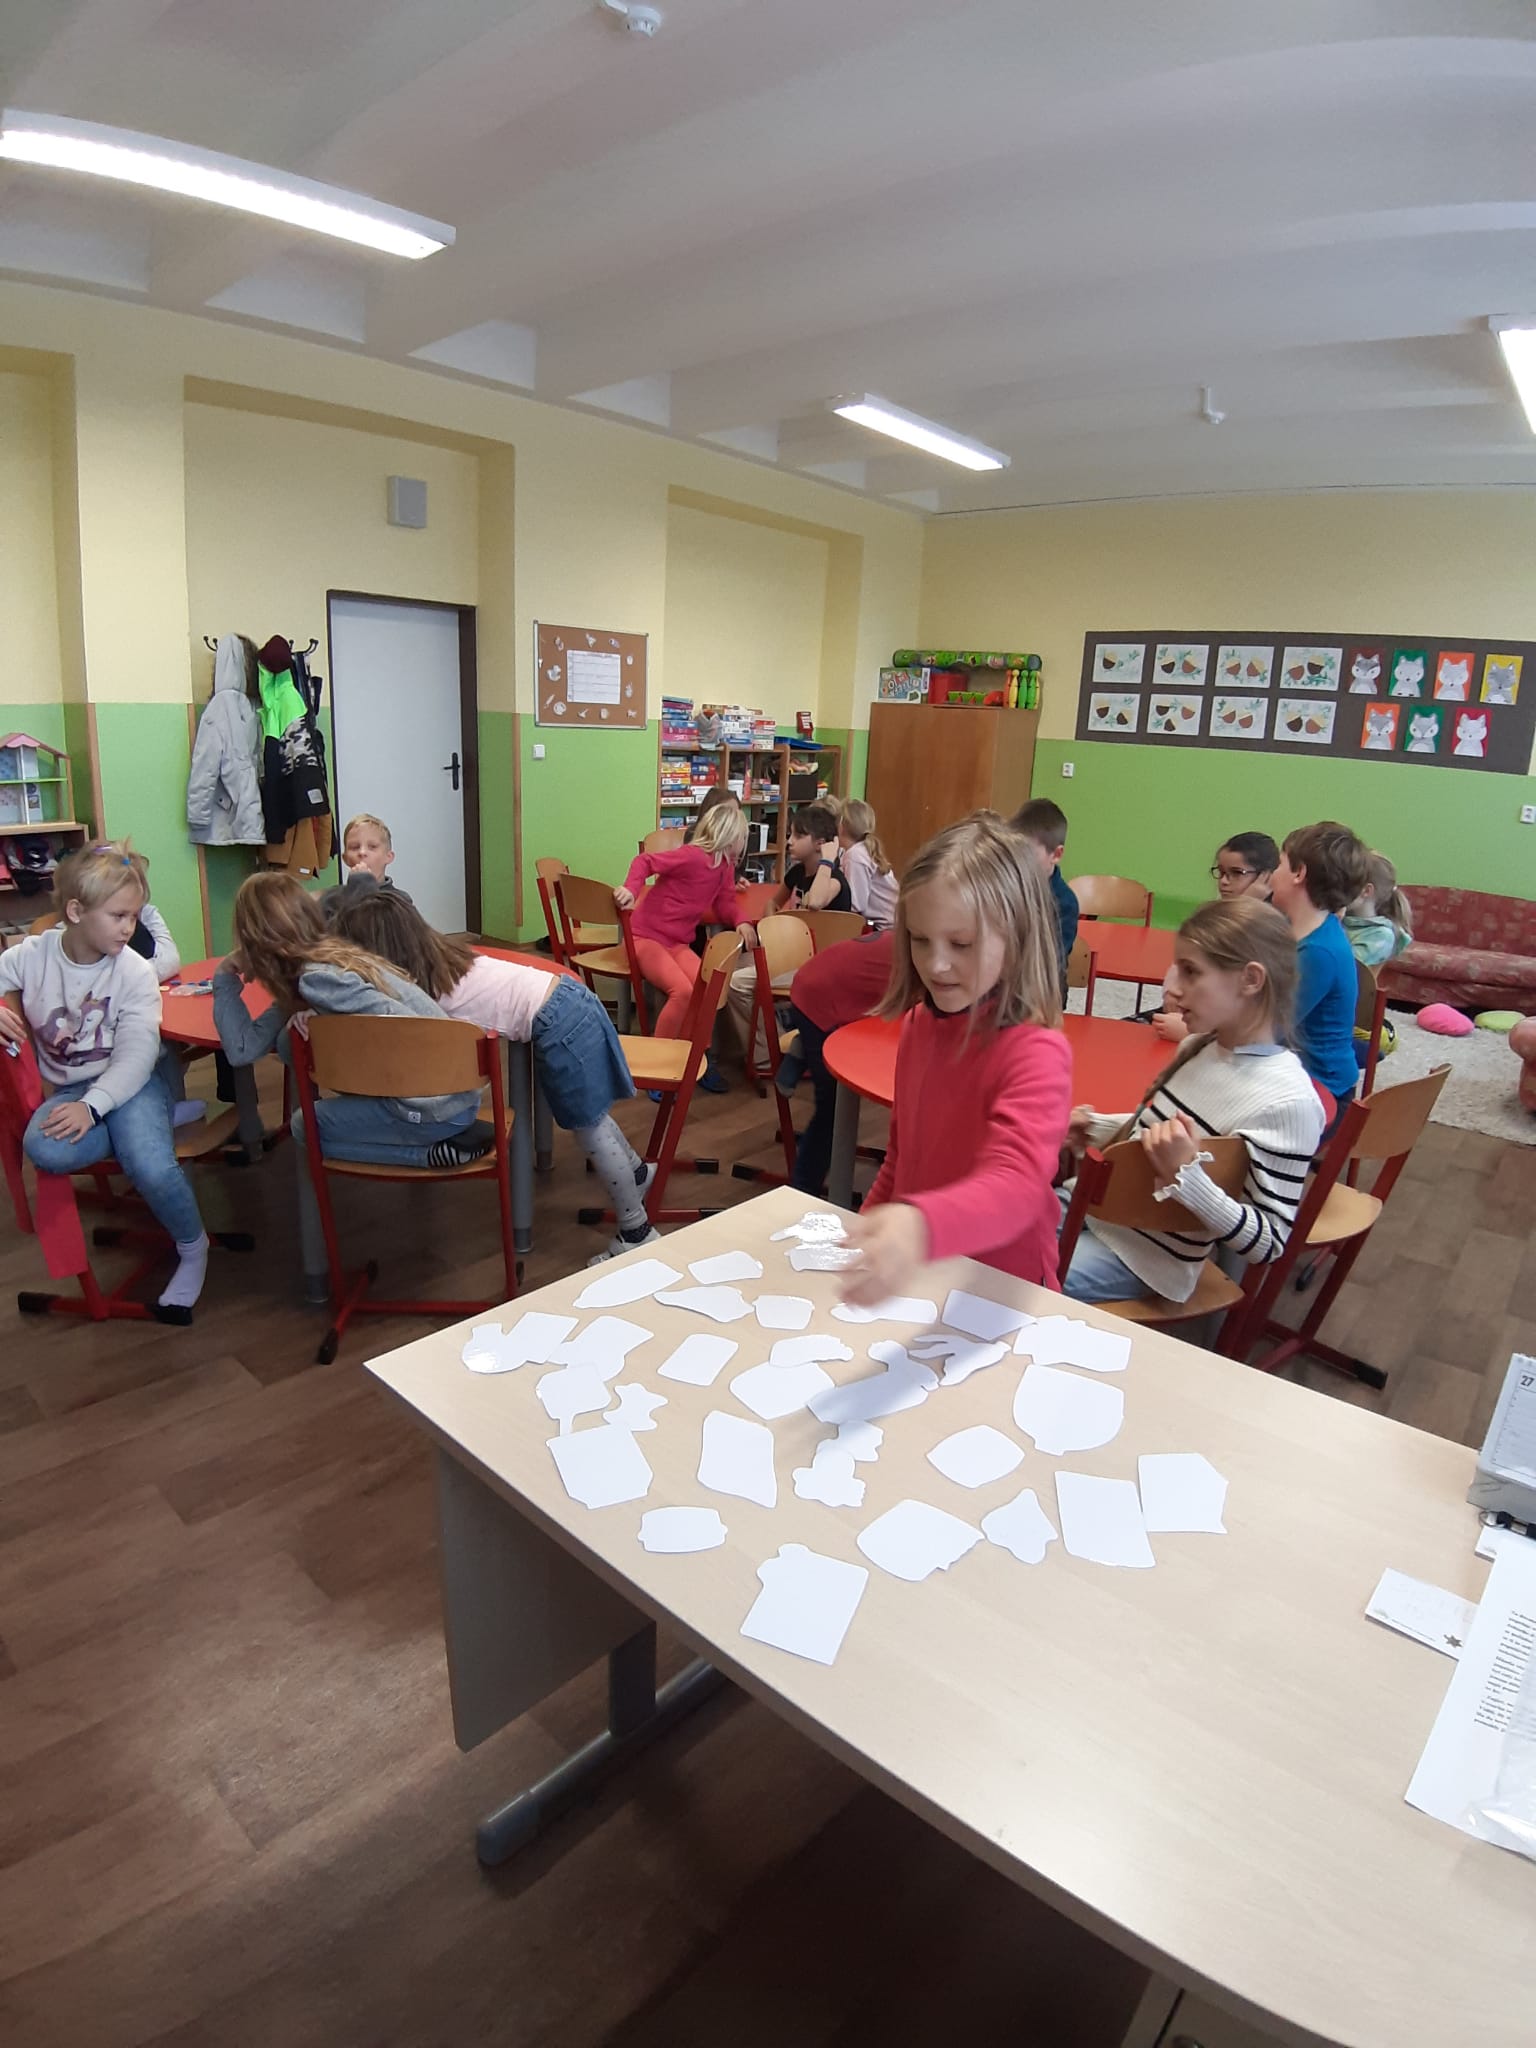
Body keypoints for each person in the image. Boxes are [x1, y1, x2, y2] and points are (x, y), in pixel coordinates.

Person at [332, 890, 660, 1262]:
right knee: (592, 1117)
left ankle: (637, 1230)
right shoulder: (447, 958)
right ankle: (636, 1174)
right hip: (569, 999)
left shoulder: (423, 993)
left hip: (559, 1020)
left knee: (588, 1127)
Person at [838, 812, 1073, 1303]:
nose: (937, 964)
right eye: (920, 940)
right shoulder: (919, 1025)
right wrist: (870, 1234)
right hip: (928, 1278)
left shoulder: (1036, 1050)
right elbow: (902, 1158)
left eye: (962, 944)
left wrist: (920, 1227)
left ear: (1017, 937)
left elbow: (1017, 1188)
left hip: (1002, 1293)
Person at [1059, 897, 1323, 1307]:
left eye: (1191, 972)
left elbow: (1269, 1243)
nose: (1172, 987)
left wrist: (1187, 1177)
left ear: (1251, 979)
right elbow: (1167, 1133)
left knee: (1008, 1272)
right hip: (1091, 1208)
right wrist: (1097, 1128)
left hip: (1139, 1257)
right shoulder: (1200, 1046)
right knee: (976, 1239)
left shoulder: (1288, 1103)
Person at [0, 841, 210, 1316]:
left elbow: (137, 1055)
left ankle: (193, 1246)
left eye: (133, 916)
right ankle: (150, 1126)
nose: (129, 928)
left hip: (131, 1083)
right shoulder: (32, 955)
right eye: (118, 916)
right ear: (76, 912)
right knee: (44, 1148)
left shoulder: (134, 971)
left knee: (151, 1166)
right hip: (75, 1089)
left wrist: (94, 1107)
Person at [215, 872, 489, 1168]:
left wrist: (223, 979)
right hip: (450, 1096)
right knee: (287, 1042)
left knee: (304, 1126)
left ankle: (427, 1155)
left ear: (257, 941)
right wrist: (226, 977)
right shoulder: (332, 956)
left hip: (435, 1105)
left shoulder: (318, 979)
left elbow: (409, 1028)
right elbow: (244, 1048)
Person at [615, 802, 757, 1074]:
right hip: (645, 938)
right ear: (730, 836)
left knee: (708, 988)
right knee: (683, 992)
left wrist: (741, 921)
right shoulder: (692, 857)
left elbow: (725, 903)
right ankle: (656, 1065)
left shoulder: (724, 867)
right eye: (742, 837)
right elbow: (644, 861)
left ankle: (695, 1057)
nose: (743, 844)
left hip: (675, 944)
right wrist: (631, 889)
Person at [781, 927, 896, 1195]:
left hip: (821, 986)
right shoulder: (927, 961)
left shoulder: (916, 940)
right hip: (819, 999)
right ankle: (802, 1190)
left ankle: (804, 1045)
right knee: (832, 1108)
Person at [1270, 820, 1370, 1110]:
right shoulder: (1299, 931)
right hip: (1291, 1074)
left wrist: (1195, 1035)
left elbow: (1267, 1030)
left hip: (1320, 1091)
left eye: (1279, 864)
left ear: (1299, 873)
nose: (1272, 875)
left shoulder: (1318, 952)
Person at [1152, 830, 1282, 1042]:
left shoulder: (1269, 929)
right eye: (1221, 872)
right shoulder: (1214, 912)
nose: (1224, 881)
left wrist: (1245, 904)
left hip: (1214, 1031)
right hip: (1187, 1014)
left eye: (1236, 873)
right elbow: (1184, 959)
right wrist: (1171, 991)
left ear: (1266, 878)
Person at [1009, 799, 1078, 994]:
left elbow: (1051, 963)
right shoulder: (1009, 887)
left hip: (1043, 989)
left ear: (1056, 854)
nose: (1019, 862)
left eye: (1028, 855)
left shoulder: (1065, 903)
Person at [320, 813, 413, 919]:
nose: (362, 852)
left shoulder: (400, 900)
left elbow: (374, 926)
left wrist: (363, 887)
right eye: (354, 847)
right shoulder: (331, 899)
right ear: (345, 859)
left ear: (388, 857)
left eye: (372, 847)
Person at [1344, 852, 1413, 968]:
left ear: (1366, 891)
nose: (1336, 888)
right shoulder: (1342, 918)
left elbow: (1339, 967)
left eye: (1345, 882)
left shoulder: (1381, 935)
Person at [837, 798, 899, 928]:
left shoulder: (855, 855)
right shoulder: (863, 850)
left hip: (884, 928)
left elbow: (856, 905)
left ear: (841, 827)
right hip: (891, 924)